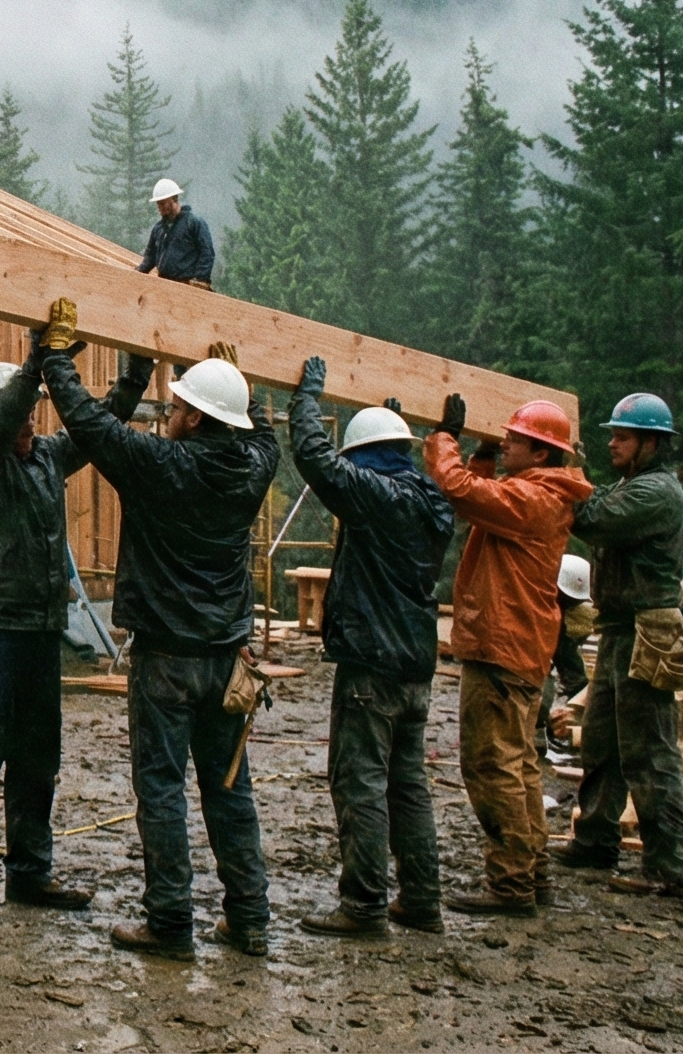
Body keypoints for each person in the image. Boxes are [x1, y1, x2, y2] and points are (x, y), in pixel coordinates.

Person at [52, 334, 278, 960]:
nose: (169, 413)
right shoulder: (251, 469)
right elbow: (265, 439)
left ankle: (171, 923)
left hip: (167, 662)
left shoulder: (161, 466)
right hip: (227, 660)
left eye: (178, 405)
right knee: (230, 789)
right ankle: (250, 918)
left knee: (160, 789)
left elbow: (92, 427)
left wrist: (53, 361)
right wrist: (236, 385)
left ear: (198, 417)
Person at [0, 337, 141, 926]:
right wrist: (32, 367)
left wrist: (134, 378)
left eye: (34, 413)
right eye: (22, 412)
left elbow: (98, 425)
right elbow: (2, 425)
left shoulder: (49, 457)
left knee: (36, 758)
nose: (31, 422)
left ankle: (29, 874)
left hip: (37, 630)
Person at [286, 360, 454, 938]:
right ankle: (423, 900)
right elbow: (390, 475)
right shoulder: (431, 501)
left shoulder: (377, 494)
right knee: (407, 785)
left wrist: (305, 397)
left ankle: (363, 905)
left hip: (371, 666)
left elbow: (314, 457)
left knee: (359, 781)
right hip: (413, 666)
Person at [423, 393, 590, 917]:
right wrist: (485, 455)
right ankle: (530, 873)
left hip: (503, 644)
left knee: (492, 765)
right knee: (520, 764)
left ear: (540, 453)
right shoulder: (541, 492)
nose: (507, 443)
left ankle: (511, 884)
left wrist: (444, 438)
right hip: (517, 644)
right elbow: (485, 493)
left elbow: (460, 491)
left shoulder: (536, 499)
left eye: (514, 440)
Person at [562, 393, 683, 898]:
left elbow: (591, 519)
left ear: (651, 443)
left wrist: (566, 468)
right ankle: (596, 840)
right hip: (620, 627)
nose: (612, 443)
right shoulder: (633, 485)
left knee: (649, 752)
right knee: (602, 742)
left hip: (647, 630)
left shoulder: (656, 493)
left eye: (622, 436)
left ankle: (666, 869)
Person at [542, 554, 599, 759]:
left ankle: (540, 731)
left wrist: (576, 711)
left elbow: (572, 669)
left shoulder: (570, 617)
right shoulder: (539, 604)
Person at [133, 179, 214, 288]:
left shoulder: (194, 223)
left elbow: (207, 252)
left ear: (175, 199)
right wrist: (138, 272)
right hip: (164, 283)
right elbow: (150, 257)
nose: (160, 207)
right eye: (158, 204)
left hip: (187, 285)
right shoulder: (158, 229)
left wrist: (201, 279)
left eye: (163, 203)